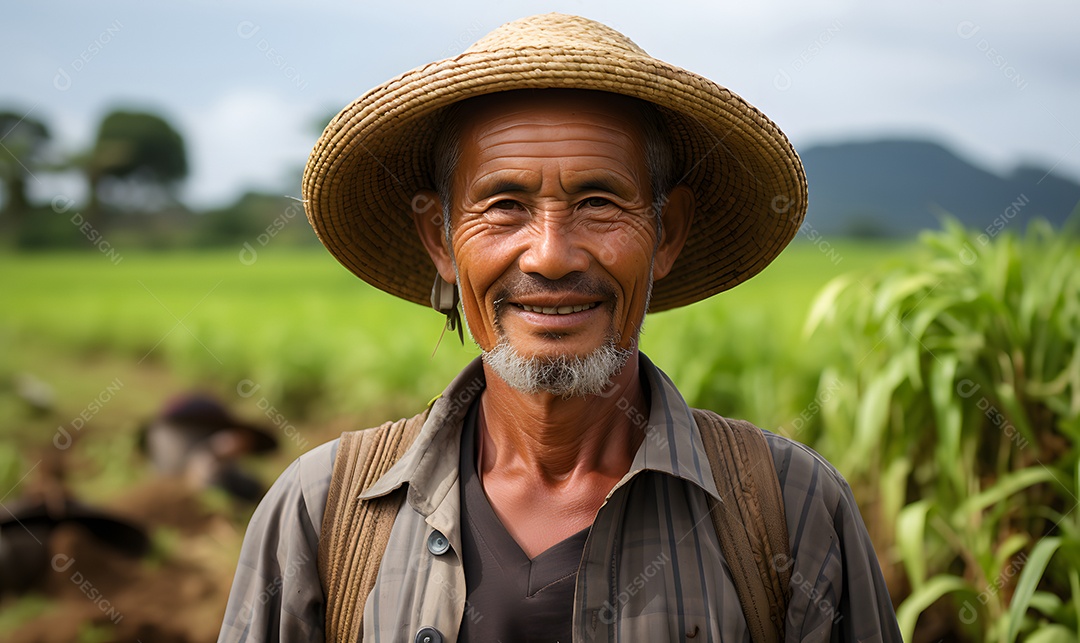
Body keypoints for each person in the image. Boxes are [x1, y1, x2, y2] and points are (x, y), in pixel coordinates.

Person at [218, 13, 901, 643]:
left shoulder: (791, 509)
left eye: (599, 202)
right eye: (505, 204)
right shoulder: (318, 513)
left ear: (668, 233)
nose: (550, 254)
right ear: (439, 237)